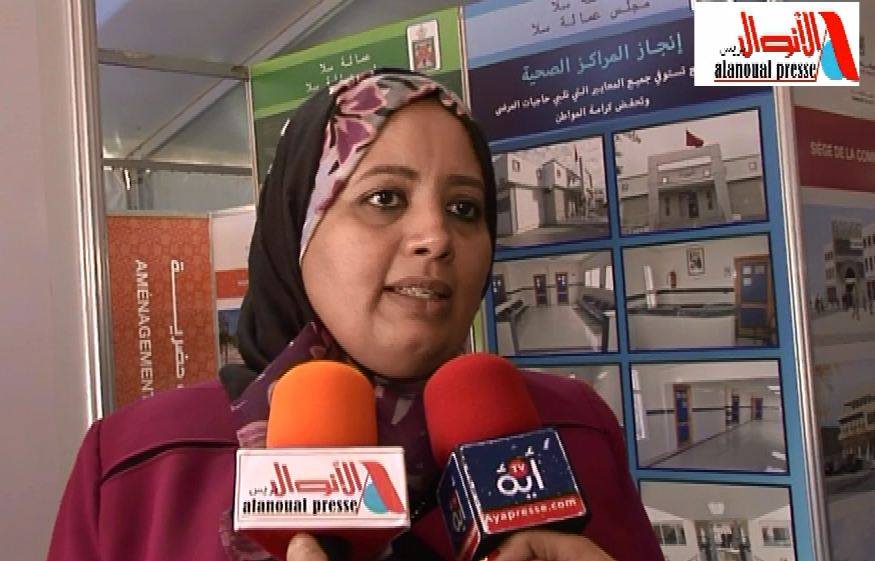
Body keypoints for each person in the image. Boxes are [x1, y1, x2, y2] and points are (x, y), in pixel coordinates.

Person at [47, 69, 663, 561]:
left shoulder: (573, 432)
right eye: (385, 197)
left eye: (464, 208)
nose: (436, 237)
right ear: (299, 228)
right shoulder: (138, 467)